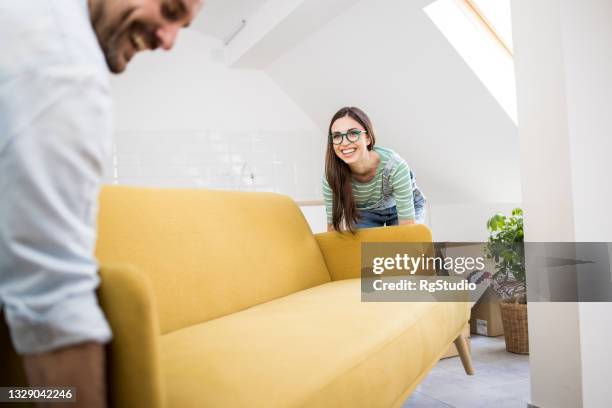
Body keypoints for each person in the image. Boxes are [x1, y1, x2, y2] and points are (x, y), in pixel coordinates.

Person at [0, 0, 202, 406]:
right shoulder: (65, 64)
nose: (169, 41)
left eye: (353, 135)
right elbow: (54, 298)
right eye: (169, 9)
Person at [323, 106, 426, 232]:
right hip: (366, 211)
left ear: (368, 138)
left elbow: (407, 228)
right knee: (366, 250)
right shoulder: (332, 175)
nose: (344, 143)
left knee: (402, 246)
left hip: (401, 207)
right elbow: (334, 228)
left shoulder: (395, 166)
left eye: (353, 133)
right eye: (337, 136)